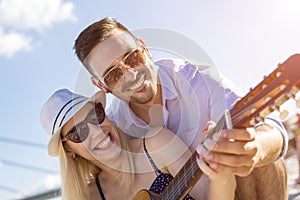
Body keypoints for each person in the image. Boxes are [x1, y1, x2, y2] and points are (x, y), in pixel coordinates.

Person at [73, 17, 288, 199]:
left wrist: (257, 148)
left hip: (241, 191)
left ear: (144, 49)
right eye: (113, 74)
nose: (131, 74)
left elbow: (270, 130)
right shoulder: (115, 128)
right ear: (101, 85)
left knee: (252, 149)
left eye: (132, 57)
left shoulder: (198, 80)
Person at [40, 88, 236, 200]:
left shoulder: (157, 145)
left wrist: (221, 173)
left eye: (96, 115)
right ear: (68, 149)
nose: (97, 131)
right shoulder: (91, 197)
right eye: (79, 132)